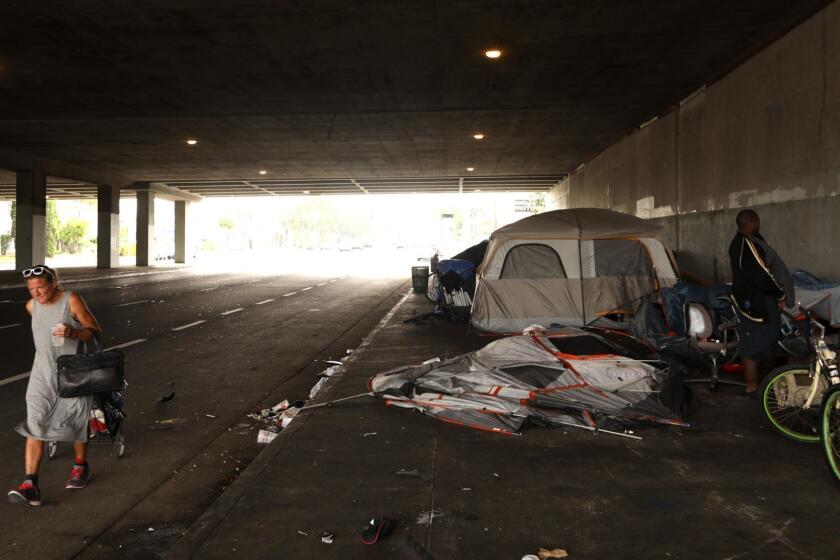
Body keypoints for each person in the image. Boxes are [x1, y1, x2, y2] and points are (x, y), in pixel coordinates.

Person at [7, 265, 102, 507]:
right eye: (31, 289)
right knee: (35, 420)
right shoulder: (31, 306)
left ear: (53, 283)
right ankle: (30, 485)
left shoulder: (71, 300)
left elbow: (94, 330)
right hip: (42, 373)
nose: (36, 293)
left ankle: (80, 465)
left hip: (72, 371)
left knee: (76, 417)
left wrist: (73, 332)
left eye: (40, 287)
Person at [728, 209, 794, 396]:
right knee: (752, 346)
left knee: (770, 339)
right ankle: (752, 386)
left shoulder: (754, 240)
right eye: (756, 221)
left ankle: (769, 383)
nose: (759, 224)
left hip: (762, 300)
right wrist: (780, 294)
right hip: (752, 303)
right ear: (750, 223)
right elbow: (763, 276)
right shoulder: (744, 244)